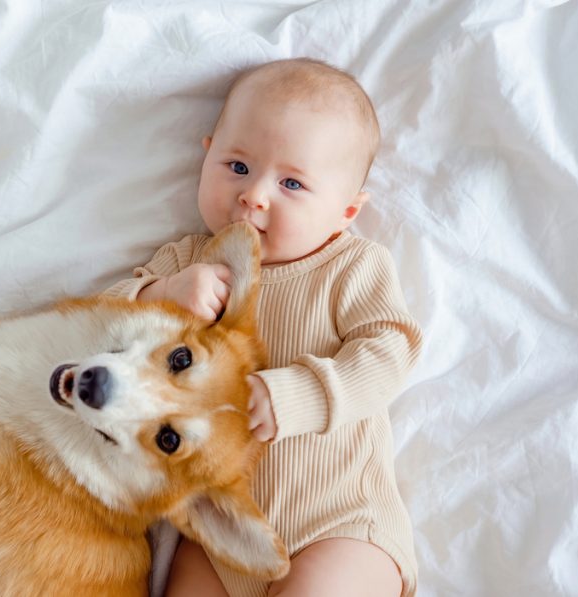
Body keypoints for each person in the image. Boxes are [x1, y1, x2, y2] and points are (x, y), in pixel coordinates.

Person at [104, 58, 423, 597]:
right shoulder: (187, 260)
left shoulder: (350, 267)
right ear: (206, 155)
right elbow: (98, 327)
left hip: (337, 523)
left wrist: (304, 394)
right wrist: (160, 296)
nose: (254, 195)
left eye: (292, 182)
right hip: (216, 536)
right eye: (237, 167)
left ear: (346, 211)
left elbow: (390, 351)